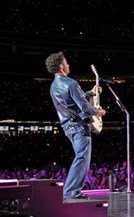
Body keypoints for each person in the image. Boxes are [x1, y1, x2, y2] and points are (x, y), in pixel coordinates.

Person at [45, 52, 106, 199]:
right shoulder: (71, 83)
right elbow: (84, 107)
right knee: (82, 158)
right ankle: (71, 192)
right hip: (79, 127)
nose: (68, 64)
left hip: (68, 127)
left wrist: (91, 93)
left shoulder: (54, 86)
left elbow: (72, 101)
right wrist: (98, 112)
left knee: (80, 157)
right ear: (61, 66)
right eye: (66, 62)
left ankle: (71, 191)